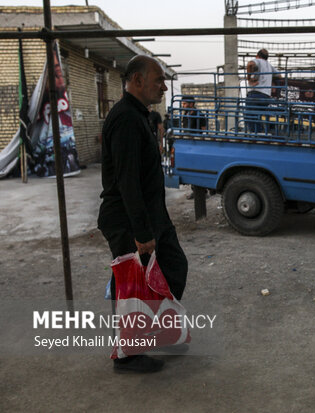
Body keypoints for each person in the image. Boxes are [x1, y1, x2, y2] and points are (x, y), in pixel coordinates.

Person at [97, 55, 188, 374]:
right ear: (137, 81)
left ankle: (154, 332)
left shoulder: (139, 116)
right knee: (131, 287)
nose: (164, 86)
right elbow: (127, 182)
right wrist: (142, 232)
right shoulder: (125, 119)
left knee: (172, 268)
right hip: (128, 219)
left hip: (149, 216)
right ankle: (127, 355)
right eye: (158, 79)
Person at [245, 48, 279, 133]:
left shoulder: (258, 61)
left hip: (255, 95)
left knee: (249, 116)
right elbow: (280, 76)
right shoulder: (269, 66)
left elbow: (250, 64)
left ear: (257, 56)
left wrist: (249, 79)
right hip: (266, 96)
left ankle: (256, 134)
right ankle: (262, 132)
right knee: (259, 116)